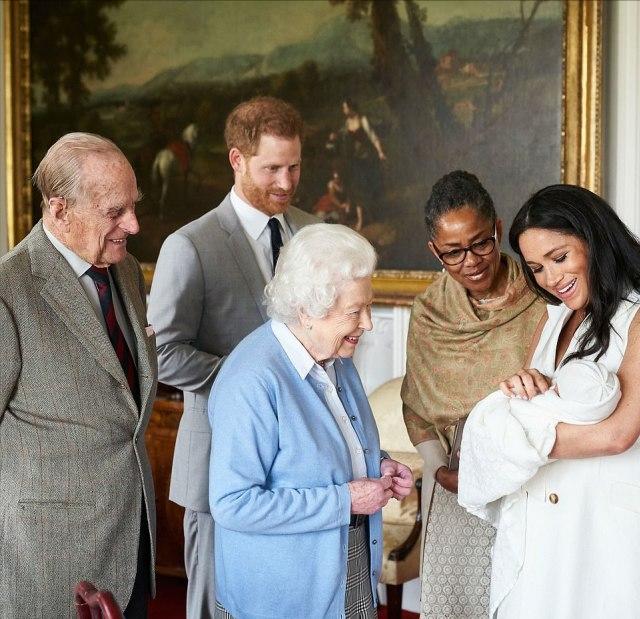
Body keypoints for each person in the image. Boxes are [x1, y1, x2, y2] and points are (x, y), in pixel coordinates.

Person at [148, 96, 317, 619]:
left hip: (299, 471)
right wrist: (253, 378)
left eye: (294, 167)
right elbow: (163, 354)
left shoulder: (313, 233)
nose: (286, 183)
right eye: (271, 168)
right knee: (212, 608)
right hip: (219, 463)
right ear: (236, 160)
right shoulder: (190, 245)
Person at [208, 223, 413, 618]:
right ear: (307, 311)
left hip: (347, 565)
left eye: (368, 306)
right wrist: (346, 499)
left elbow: (325, 448)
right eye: (355, 311)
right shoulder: (251, 381)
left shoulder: (336, 355)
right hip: (284, 594)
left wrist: (378, 463)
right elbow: (233, 503)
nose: (368, 323)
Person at [0, 133, 157, 618]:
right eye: (115, 212)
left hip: (134, 539)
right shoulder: (10, 288)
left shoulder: (126, 271)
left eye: (133, 206)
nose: (132, 224)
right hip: (49, 561)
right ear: (59, 208)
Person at [490, 184, 640, 618]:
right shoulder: (554, 316)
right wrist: (525, 385)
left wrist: (510, 442)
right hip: (542, 516)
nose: (551, 279)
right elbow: (537, 400)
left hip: (603, 525)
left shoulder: (635, 315)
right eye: (536, 267)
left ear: (595, 239)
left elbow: (618, 434)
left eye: (560, 257)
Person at [400, 170, 544, 618]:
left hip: (534, 477)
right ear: (434, 252)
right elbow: (416, 406)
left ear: (498, 230)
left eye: (481, 243)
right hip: (457, 483)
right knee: (459, 605)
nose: (472, 261)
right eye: (453, 253)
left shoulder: (543, 296)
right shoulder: (429, 314)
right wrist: (438, 468)